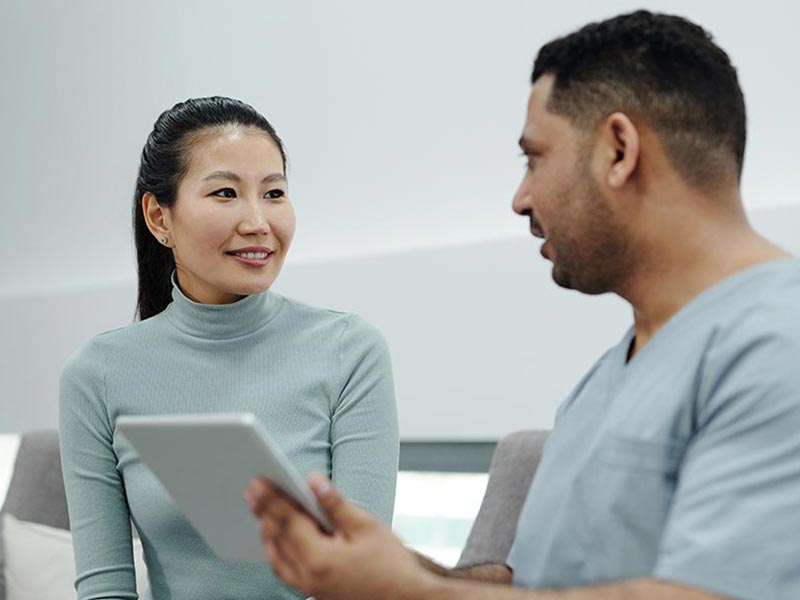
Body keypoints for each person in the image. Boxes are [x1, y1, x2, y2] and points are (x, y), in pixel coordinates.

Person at [245, 10, 800, 600]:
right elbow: (534, 585)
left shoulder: (777, 345)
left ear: (619, 150)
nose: (520, 198)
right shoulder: (606, 379)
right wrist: (385, 567)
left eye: (534, 158)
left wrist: (413, 594)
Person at [58, 96, 399, 599]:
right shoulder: (98, 375)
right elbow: (105, 587)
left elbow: (359, 583)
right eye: (225, 193)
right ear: (159, 218)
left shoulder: (351, 352)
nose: (258, 222)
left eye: (274, 193)